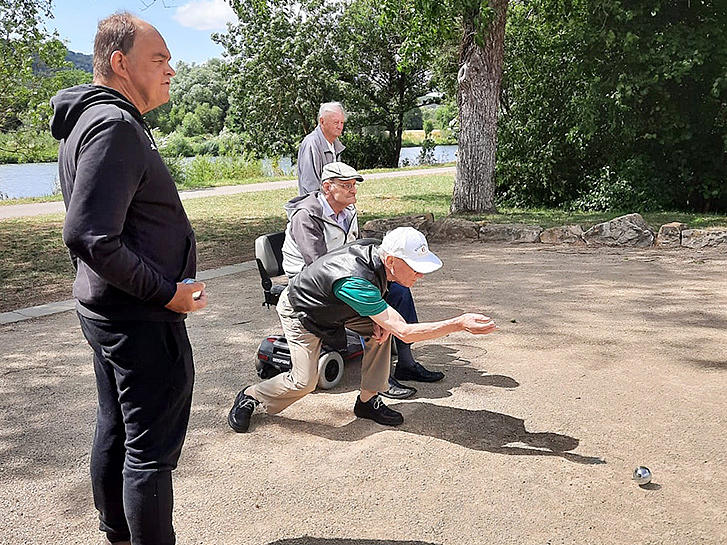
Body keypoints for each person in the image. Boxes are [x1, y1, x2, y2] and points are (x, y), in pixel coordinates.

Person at [50, 13, 207, 545]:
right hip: (138, 316)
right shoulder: (113, 126)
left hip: (110, 309)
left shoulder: (95, 119)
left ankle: (117, 533)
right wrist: (168, 293)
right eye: (159, 59)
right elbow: (90, 235)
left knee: (115, 425)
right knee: (149, 452)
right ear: (120, 63)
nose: (171, 70)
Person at [228, 227, 497, 433]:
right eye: (415, 268)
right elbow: (404, 331)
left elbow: (383, 310)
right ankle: (251, 396)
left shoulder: (376, 252)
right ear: (392, 261)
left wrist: (381, 324)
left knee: (382, 333)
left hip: (336, 305)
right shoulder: (356, 282)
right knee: (304, 381)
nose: (421, 275)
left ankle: (368, 401)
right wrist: (459, 323)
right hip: (304, 311)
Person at [282, 161, 444, 399]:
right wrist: (365, 282)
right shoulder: (306, 216)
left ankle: (406, 362)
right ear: (327, 188)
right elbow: (317, 264)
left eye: (354, 185)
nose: (353, 190)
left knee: (400, 290)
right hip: (314, 280)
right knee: (367, 300)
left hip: (345, 271)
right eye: (346, 185)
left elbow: (355, 247)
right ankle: (382, 379)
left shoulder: (349, 211)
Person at [297, 101, 346, 195]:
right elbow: (310, 187)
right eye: (336, 122)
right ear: (322, 121)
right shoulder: (311, 144)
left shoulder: (335, 144)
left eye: (342, 122)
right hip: (315, 207)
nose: (340, 127)